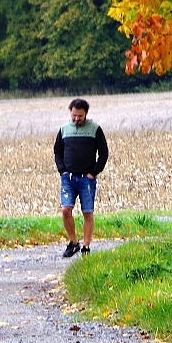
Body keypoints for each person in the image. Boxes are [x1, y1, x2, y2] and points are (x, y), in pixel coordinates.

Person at [53, 98, 109, 257]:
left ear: (86, 114)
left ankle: (86, 246)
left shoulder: (95, 129)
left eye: (80, 116)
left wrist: (93, 173)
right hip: (68, 178)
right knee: (65, 210)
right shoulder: (64, 129)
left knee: (87, 212)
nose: (77, 119)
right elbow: (58, 152)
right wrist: (62, 170)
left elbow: (104, 154)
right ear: (70, 113)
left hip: (87, 179)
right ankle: (73, 242)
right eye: (74, 116)